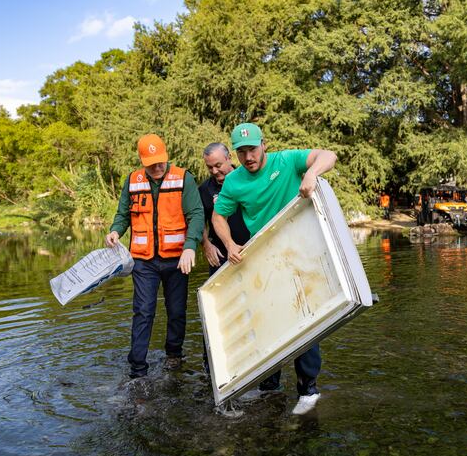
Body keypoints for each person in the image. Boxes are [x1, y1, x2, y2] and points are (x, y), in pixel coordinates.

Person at [212, 122, 336, 415]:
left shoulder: (287, 160)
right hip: (264, 255)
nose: (248, 157)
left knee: (304, 315)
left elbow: (328, 155)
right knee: (267, 318)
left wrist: (311, 172)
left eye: (252, 149)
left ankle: (308, 390)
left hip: (300, 247)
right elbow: (218, 217)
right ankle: (271, 388)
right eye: (241, 152)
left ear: (263, 144)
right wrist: (229, 244)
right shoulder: (234, 182)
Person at [105, 134, 204, 378]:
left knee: (177, 310)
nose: (157, 167)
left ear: (166, 155)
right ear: (142, 161)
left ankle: (174, 355)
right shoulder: (132, 180)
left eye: (160, 161)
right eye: (151, 164)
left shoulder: (184, 178)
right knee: (143, 310)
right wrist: (115, 231)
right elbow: (123, 215)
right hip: (143, 260)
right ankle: (138, 367)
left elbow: (196, 214)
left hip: (177, 258)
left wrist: (190, 246)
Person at [199, 143, 251, 276]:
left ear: (229, 158)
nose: (214, 171)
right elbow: (198, 219)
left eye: (218, 165)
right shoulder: (204, 189)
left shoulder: (248, 178)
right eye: (209, 167)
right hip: (221, 255)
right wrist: (206, 245)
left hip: (252, 246)